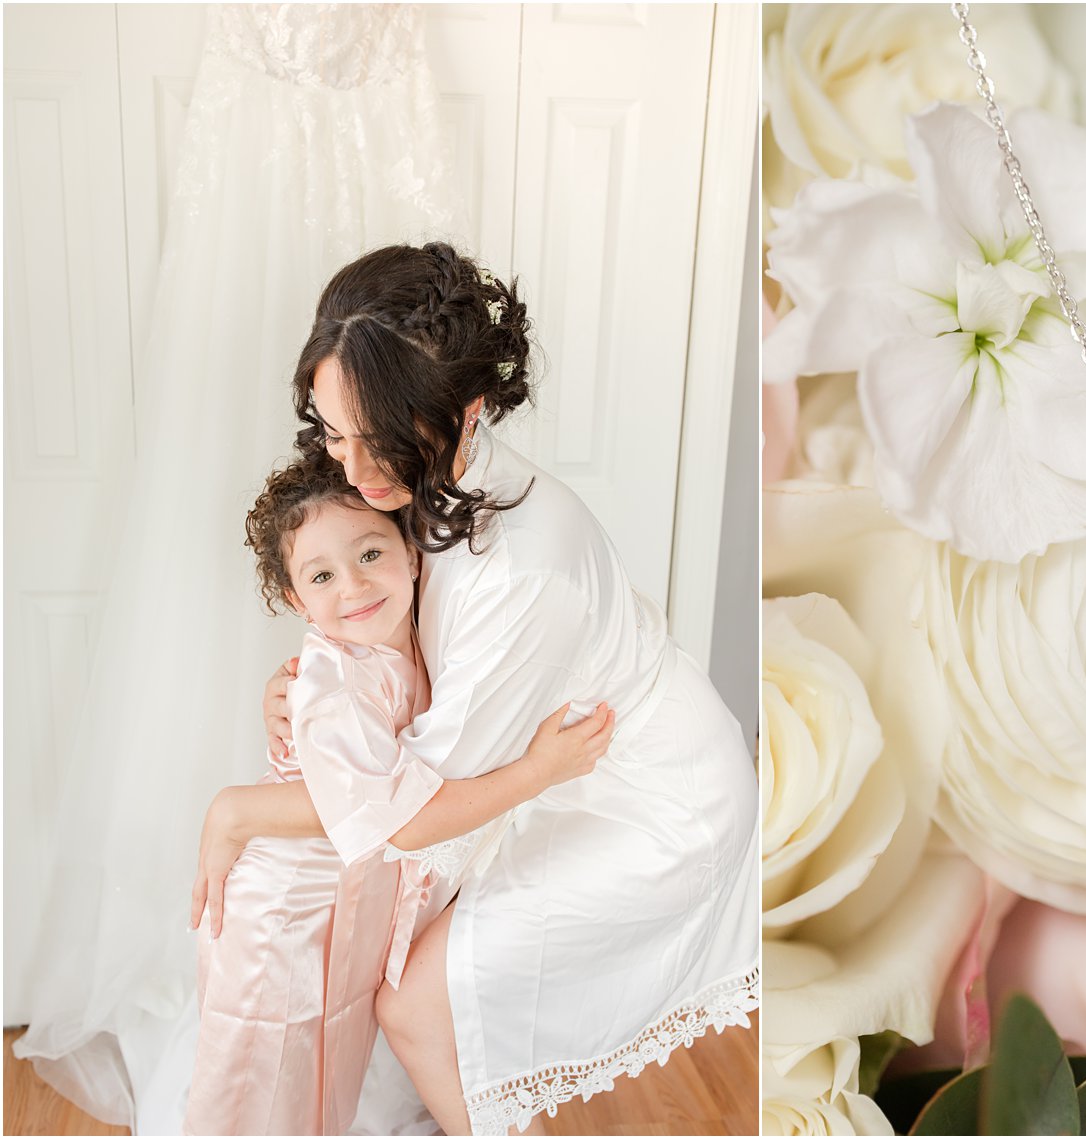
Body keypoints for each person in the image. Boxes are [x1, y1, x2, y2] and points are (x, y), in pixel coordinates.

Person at [197, 240, 760, 1135]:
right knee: (413, 986)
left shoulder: (518, 570)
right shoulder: (427, 479)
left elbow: (406, 810)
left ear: (462, 408)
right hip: (562, 766)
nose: (349, 465)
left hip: (650, 795)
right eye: (332, 432)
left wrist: (239, 811)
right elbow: (396, 634)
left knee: (416, 1003)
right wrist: (314, 686)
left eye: (371, 436)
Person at [186, 457, 614, 1135]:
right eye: (322, 576)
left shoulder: (405, 640)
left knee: (312, 1080)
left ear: (413, 556)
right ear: (299, 601)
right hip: (280, 916)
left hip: (326, 910)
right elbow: (403, 819)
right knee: (262, 1087)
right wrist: (539, 770)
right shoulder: (338, 681)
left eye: (370, 553)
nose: (353, 586)